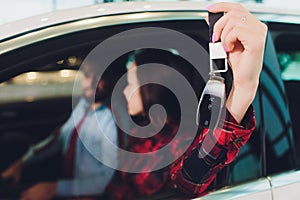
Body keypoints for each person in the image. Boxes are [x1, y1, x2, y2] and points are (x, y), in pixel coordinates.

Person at [108, 2, 268, 199]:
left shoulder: (180, 141)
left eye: (130, 83)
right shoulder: (142, 127)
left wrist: (243, 89)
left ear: (153, 86)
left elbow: (187, 181)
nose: (123, 91)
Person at [1, 60, 119, 200]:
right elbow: (59, 138)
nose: (91, 82)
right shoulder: (83, 105)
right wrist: (21, 162)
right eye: (87, 75)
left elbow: (106, 180)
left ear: (111, 80)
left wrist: (55, 188)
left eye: (100, 77)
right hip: (67, 187)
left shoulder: (110, 120)